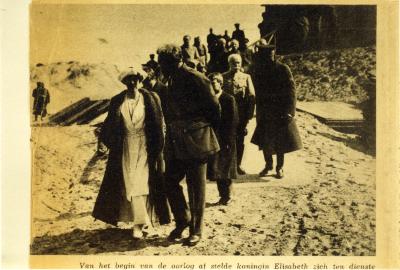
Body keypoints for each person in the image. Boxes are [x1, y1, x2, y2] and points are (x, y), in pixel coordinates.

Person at [92, 69, 170, 239]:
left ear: (140, 80)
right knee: (130, 183)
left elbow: (160, 124)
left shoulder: (151, 98)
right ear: (124, 83)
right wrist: (105, 141)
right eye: (129, 81)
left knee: (141, 183)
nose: (133, 83)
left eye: (135, 80)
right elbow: (109, 124)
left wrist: (159, 148)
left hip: (146, 146)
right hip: (126, 147)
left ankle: (140, 224)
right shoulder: (118, 101)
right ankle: (143, 221)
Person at [157, 44, 221, 246]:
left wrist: (200, 129)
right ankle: (183, 219)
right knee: (169, 180)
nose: (160, 67)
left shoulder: (194, 77)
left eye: (163, 64)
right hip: (176, 141)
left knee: (196, 187)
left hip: (196, 140)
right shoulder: (170, 79)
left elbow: (214, 108)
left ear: (175, 62)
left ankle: (197, 229)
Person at [251, 44, 302, 178]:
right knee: (265, 140)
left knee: (280, 140)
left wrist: (290, 111)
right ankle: (268, 165)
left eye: (271, 55)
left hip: (280, 110)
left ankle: (280, 167)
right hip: (264, 111)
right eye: (265, 56)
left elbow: (291, 91)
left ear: (274, 54)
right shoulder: (258, 70)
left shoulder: (283, 69)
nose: (269, 58)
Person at [207, 73, 238, 205]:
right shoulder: (209, 100)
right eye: (211, 83)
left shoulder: (228, 99)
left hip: (226, 138)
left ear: (220, 83)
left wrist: (229, 139)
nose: (213, 85)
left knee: (226, 167)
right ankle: (223, 195)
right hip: (214, 137)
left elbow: (233, 120)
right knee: (217, 167)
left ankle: (228, 195)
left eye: (215, 83)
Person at [222, 54, 255, 175]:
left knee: (240, 140)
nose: (236, 65)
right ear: (229, 63)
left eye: (238, 63)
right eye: (234, 63)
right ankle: (228, 164)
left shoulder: (246, 77)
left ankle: (238, 164)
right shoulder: (223, 77)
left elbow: (251, 97)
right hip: (226, 115)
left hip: (241, 115)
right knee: (226, 139)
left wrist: (249, 115)